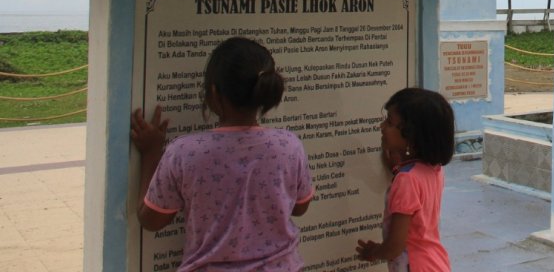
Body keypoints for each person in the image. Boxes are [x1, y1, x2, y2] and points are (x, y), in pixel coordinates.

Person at [130, 36, 314, 271]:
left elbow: (151, 219)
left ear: (214, 93)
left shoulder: (185, 152)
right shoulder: (289, 145)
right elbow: (300, 207)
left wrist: (151, 153)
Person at [355, 87, 455, 271]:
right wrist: (396, 167)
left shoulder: (406, 180)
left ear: (412, 135)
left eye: (390, 122)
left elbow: (395, 246)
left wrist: (374, 251)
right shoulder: (433, 168)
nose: (382, 127)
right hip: (435, 262)